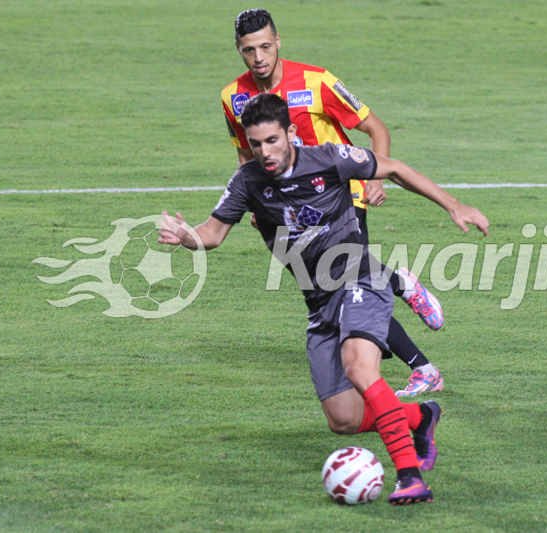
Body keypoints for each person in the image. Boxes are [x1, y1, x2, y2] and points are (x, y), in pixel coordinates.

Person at [159, 93, 489, 504]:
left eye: (273, 141)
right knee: (344, 420)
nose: (265, 152)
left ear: (291, 134)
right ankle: (420, 417)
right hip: (319, 303)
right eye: (256, 144)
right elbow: (212, 233)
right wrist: (185, 237)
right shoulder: (247, 182)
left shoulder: (330, 158)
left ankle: (409, 476)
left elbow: (396, 169)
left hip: (359, 277)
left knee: (359, 368)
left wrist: (455, 206)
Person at [221, 8, 442, 396]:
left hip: (340, 193)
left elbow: (375, 128)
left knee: (346, 283)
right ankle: (399, 286)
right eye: (249, 50)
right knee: (334, 290)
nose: (258, 58)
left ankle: (422, 366)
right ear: (238, 50)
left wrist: (375, 180)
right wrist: (254, 202)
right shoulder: (232, 97)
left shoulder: (316, 81)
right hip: (284, 208)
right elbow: (245, 154)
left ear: (278, 42)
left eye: (265, 47)